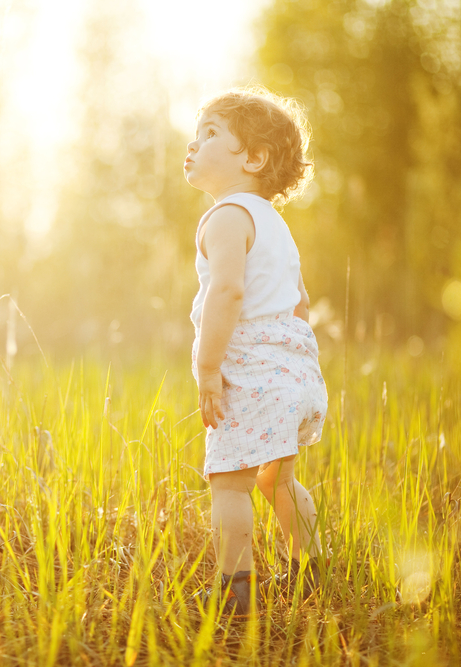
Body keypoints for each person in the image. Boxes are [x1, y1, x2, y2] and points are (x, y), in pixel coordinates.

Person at [185, 86, 329, 615]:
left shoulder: (226, 216)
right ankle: (312, 570)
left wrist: (208, 366)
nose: (193, 144)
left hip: (250, 369)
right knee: (278, 478)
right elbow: (301, 302)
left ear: (254, 157)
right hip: (294, 368)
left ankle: (235, 591)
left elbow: (227, 292)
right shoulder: (275, 225)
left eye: (210, 133)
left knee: (229, 482)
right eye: (196, 134)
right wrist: (295, 370)